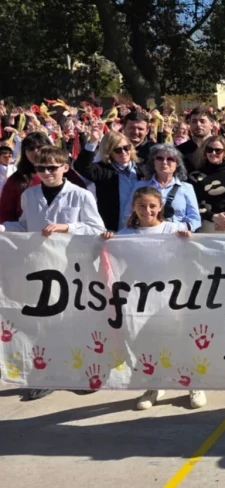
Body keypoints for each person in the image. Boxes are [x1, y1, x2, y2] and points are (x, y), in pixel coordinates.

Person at [0, 146, 105, 401]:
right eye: (40, 168)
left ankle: (81, 373)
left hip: (72, 267)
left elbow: (96, 228)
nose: (46, 173)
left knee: (73, 322)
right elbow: (26, 225)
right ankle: (46, 375)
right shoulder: (30, 194)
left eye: (52, 168)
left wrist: (67, 227)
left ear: (64, 168)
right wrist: (4, 227)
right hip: (40, 267)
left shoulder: (81, 195)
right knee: (43, 323)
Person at [101, 187, 205, 409]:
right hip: (139, 297)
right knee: (145, 341)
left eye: (152, 206)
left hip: (173, 295)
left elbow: (195, 256)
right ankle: (155, 384)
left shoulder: (174, 229)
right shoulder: (124, 235)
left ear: (160, 207)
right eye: (141, 206)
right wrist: (107, 239)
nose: (147, 210)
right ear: (133, 208)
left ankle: (193, 383)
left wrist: (189, 240)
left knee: (180, 339)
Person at [0, 132, 87, 223]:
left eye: (40, 147)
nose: (36, 152)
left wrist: (69, 228)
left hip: (66, 234)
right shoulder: (17, 179)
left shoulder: (66, 174)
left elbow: (87, 217)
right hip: (30, 234)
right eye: (30, 148)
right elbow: (5, 213)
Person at [74, 126, 142, 231]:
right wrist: (93, 141)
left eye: (126, 147)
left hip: (141, 227)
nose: (123, 152)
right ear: (109, 152)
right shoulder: (103, 171)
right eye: (117, 150)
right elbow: (82, 166)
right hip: (114, 228)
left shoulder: (142, 169)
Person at [134, 144, 201, 232]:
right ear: (153, 162)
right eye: (159, 158)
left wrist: (178, 229)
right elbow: (128, 214)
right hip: (147, 235)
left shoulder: (187, 188)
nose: (164, 162)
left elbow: (195, 219)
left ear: (177, 164)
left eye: (170, 159)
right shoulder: (140, 186)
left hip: (177, 236)